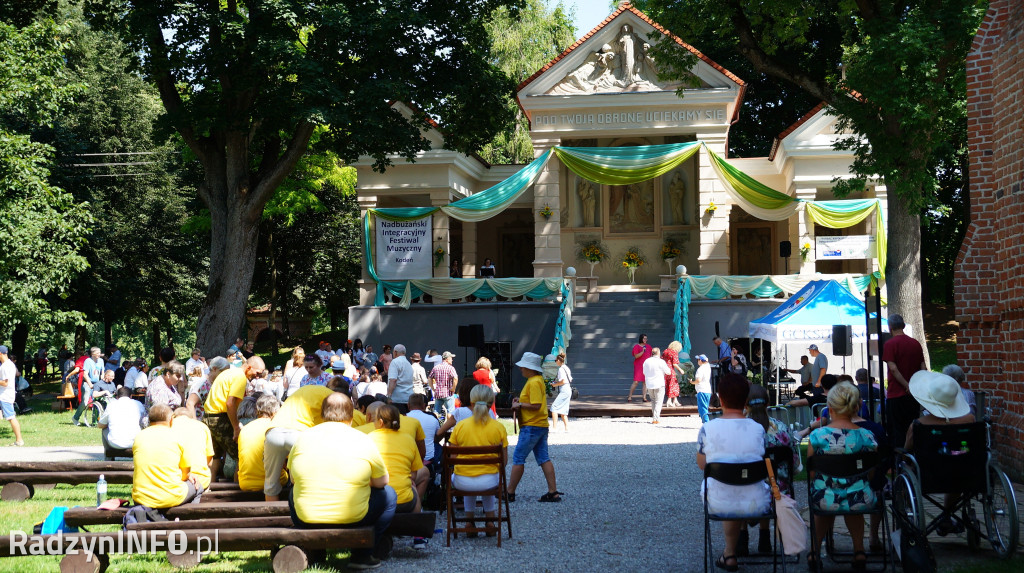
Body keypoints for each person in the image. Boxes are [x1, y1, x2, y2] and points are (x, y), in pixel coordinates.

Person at [288, 392, 396, 570]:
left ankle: (316, 551)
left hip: (307, 517)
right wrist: (361, 482)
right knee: (389, 495)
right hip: (354, 517)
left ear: (322, 414)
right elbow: (382, 482)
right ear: (352, 416)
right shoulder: (363, 439)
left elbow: (293, 479)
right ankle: (362, 554)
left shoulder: (303, 438)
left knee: (294, 493)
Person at [696, 372, 770, 572]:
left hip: (719, 500)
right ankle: (730, 552)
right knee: (738, 483)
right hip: (756, 500)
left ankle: (730, 553)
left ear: (719, 398)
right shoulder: (758, 429)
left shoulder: (708, 429)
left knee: (727, 484)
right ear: (746, 400)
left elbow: (702, 465)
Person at [807, 382, 878, 571]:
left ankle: (814, 551)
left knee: (825, 497)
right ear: (857, 407)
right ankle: (859, 550)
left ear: (829, 409)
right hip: (860, 498)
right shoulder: (867, 436)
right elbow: (870, 473)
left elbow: (812, 473)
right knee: (854, 497)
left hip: (825, 498)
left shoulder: (818, 436)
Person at [906, 370, 975, 536]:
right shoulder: (970, 421)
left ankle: (912, 514)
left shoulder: (918, 425)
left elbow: (906, 450)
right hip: (964, 473)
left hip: (928, 475)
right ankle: (946, 514)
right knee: (954, 469)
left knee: (907, 466)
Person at [742, 384, 799, 556]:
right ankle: (765, 540)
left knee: (745, 483)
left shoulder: (739, 430)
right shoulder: (782, 429)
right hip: (778, 492)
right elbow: (795, 465)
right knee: (769, 480)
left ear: (745, 405)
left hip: (745, 492)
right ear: (768, 404)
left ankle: (741, 541)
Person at [263, 379, 340, 501]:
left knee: (270, 483)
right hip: (299, 434)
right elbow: (330, 426)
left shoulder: (301, 391)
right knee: (302, 479)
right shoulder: (332, 397)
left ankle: (269, 517)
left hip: (273, 431)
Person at [448, 384, 508, 536]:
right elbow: (504, 462)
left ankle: (469, 521)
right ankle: (490, 521)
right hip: (490, 481)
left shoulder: (460, 427)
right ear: (491, 403)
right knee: (488, 474)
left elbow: (452, 459)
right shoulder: (498, 428)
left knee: (469, 475)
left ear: (471, 402)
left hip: (463, 482)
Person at [368, 404, 429, 549]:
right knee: (412, 488)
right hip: (404, 501)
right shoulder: (408, 439)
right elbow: (413, 473)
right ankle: (419, 536)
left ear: (381, 422)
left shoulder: (369, 438)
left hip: (377, 500)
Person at [507, 352, 561, 502]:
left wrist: (519, 404)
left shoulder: (533, 382)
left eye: (523, 366)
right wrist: (521, 401)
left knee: (518, 458)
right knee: (543, 458)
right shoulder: (535, 380)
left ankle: (510, 492)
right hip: (540, 425)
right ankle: (553, 491)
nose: (521, 369)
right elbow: (534, 402)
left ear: (530, 368)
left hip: (532, 426)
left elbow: (536, 405)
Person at [131, 404, 201, 509]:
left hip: (141, 499)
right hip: (171, 497)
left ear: (149, 420)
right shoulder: (178, 436)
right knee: (197, 485)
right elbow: (185, 474)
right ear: (171, 420)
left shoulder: (139, 437)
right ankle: (188, 517)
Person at [203, 356, 251, 480]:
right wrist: (236, 427)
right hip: (220, 419)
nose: (257, 376)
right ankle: (236, 494)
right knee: (241, 456)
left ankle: (208, 490)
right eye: (257, 372)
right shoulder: (240, 376)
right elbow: (230, 403)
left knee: (215, 457)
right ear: (249, 367)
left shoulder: (227, 373)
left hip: (208, 417)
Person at [237, 393, 285, 493]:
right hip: (272, 482)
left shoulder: (245, 429)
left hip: (245, 483)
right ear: (275, 411)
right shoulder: (275, 427)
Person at [171, 407, 215, 493]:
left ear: (173, 417)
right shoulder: (203, 427)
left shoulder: (169, 426)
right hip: (201, 480)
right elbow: (209, 463)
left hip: (176, 480)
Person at [98, 386, 145, 454]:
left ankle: (108, 457)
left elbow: (100, 425)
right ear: (131, 396)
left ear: (117, 397)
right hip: (135, 442)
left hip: (115, 443)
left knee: (104, 429)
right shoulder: (138, 404)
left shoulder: (111, 405)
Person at [0, 345, 24, 446]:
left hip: (5, 395)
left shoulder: (5, 366)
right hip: (6, 394)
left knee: (11, 417)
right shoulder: (10, 364)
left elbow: (5, 383)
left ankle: (19, 440)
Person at [642, 348, 671, 424]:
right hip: (659, 384)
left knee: (653, 401)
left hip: (649, 384)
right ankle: (656, 418)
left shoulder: (646, 361)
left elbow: (644, 372)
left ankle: (654, 417)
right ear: (658, 353)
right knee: (658, 401)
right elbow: (668, 372)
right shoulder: (661, 362)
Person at [428, 351, 458, 417]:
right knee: (450, 412)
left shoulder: (436, 367)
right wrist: (453, 388)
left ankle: (435, 425)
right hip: (448, 393)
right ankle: (451, 427)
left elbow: (429, 378)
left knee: (436, 412)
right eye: (451, 358)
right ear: (447, 359)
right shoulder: (451, 368)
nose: (452, 360)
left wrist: (433, 388)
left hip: (438, 393)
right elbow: (455, 378)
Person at [386, 344, 414, 412]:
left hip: (397, 399)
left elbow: (393, 380)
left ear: (395, 352)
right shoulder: (409, 364)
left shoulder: (394, 362)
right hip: (409, 398)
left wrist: (389, 396)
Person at [550, 353, 573, 432]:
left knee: (554, 407)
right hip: (568, 389)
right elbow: (570, 379)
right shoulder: (566, 368)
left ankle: (555, 427)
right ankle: (567, 428)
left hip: (564, 389)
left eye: (556, 360)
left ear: (559, 360)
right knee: (564, 410)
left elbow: (563, 381)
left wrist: (554, 385)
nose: (555, 361)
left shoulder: (560, 369)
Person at [628, 334, 652, 403]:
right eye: (644, 339)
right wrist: (642, 351)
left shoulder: (649, 346)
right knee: (636, 382)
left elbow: (650, 355)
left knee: (645, 382)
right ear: (641, 339)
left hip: (646, 366)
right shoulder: (636, 346)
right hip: (639, 366)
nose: (645, 340)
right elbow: (636, 356)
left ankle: (644, 397)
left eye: (646, 339)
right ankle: (630, 396)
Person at [663, 341, 684, 408]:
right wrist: (680, 369)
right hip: (671, 370)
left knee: (670, 385)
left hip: (665, 370)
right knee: (673, 385)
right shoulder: (674, 352)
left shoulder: (666, 351)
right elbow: (674, 364)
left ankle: (675, 400)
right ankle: (669, 401)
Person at [693, 354, 712, 423]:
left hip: (701, 390)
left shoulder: (700, 369)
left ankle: (706, 423)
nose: (697, 361)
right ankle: (707, 421)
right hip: (708, 390)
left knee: (702, 408)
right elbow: (707, 361)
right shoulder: (708, 366)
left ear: (700, 361)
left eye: (698, 359)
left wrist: (692, 382)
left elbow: (698, 380)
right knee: (706, 407)